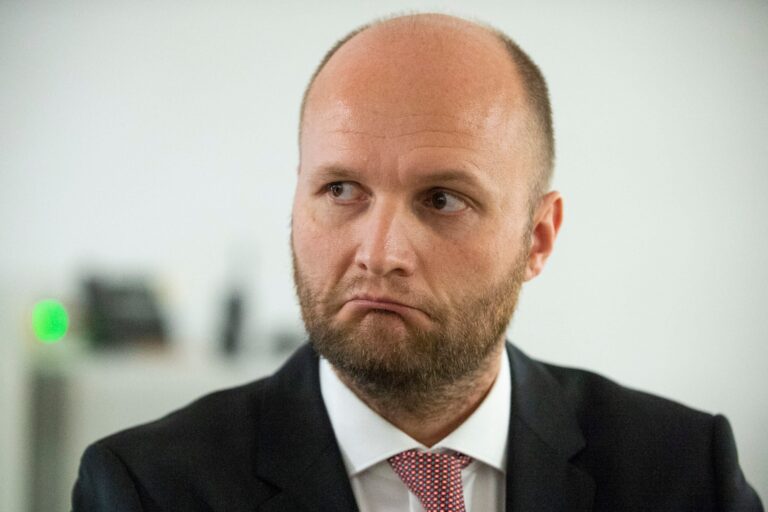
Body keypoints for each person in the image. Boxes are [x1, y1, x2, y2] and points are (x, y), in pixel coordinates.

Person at [72, 13, 763, 512]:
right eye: (341, 190)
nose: (379, 253)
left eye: (442, 200)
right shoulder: (148, 487)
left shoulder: (682, 471)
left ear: (538, 238)